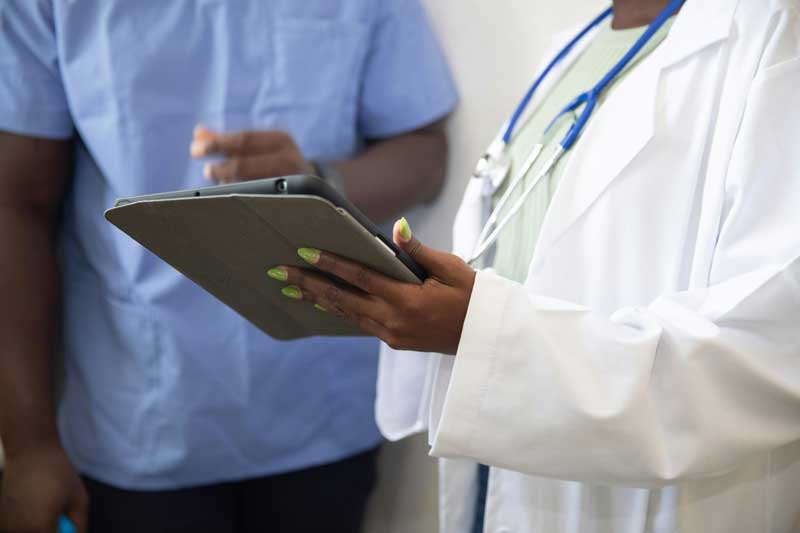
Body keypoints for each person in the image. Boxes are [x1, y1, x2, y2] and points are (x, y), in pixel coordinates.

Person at [264, 0, 800, 531]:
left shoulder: (773, 34)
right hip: (499, 460)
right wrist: (424, 299)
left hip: (643, 496)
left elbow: (770, 343)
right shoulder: (572, 49)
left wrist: (484, 333)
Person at [0, 1, 456, 532]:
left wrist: (320, 181)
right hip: (140, 422)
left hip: (323, 410)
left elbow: (426, 151)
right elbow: (16, 203)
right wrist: (29, 446)